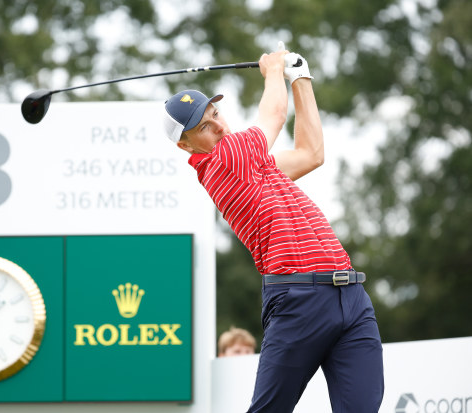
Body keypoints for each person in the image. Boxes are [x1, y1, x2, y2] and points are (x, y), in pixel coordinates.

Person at [162, 42, 384, 412]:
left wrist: (301, 78)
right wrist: (275, 69)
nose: (218, 125)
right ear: (186, 145)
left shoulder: (255, 165)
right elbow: (275, 115)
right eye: (204, 125)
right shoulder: (224, 162)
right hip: (298, 300)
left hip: (352, 297)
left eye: (216, 113)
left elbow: (311, 153)